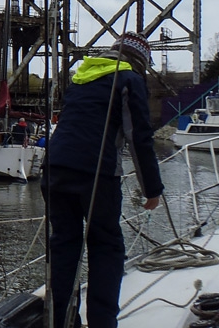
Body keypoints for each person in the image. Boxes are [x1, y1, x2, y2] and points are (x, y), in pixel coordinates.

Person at [42, 31, 163, 328]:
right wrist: (152, 189)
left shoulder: (81, 78)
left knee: (64, 245)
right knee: (105, 246)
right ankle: (102, 323)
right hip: (96, 175)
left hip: (54, 169)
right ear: (140, 62)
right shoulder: (129, 80)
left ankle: (58, 321)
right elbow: (139, 138)